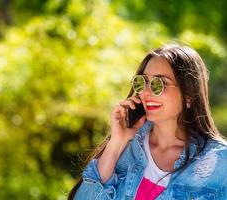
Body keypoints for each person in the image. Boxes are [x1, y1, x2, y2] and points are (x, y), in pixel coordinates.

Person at [68, 43, 227, 200]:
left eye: (159, 84)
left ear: (189, 95)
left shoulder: (221, 163)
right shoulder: (124, 148)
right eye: (142, 82)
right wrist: (116, 142)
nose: (146, 92)